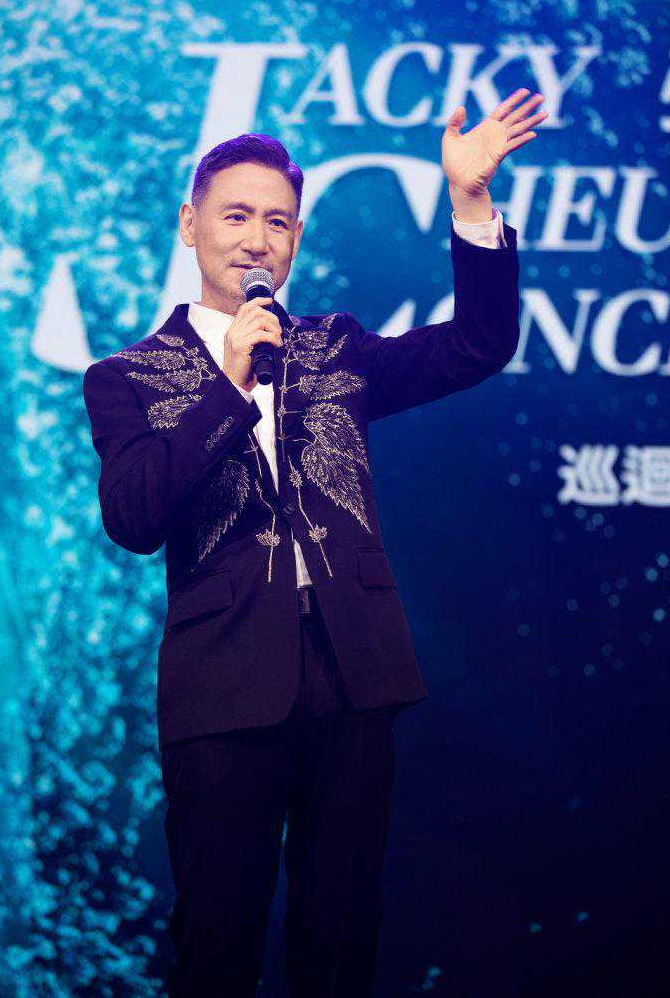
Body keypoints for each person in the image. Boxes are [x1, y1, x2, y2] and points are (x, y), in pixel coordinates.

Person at [82, 90, 546, 997]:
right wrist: (226, 384)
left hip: (353, 674)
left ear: (296, 240)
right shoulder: (126, 377)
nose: (257, 240)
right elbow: (134, 519)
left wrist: (470, 203)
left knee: (340, 944)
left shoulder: (335, 348)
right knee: (217, 945)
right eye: (236, 216)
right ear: (190, 225)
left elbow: (480, 345)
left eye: (278, 222)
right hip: (223, 687)